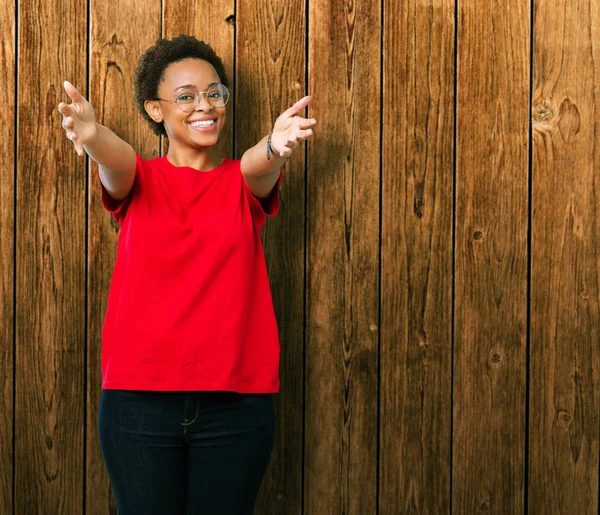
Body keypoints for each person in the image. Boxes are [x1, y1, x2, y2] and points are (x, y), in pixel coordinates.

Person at [57, 34, 316, 515]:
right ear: (155, 110)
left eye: (215, 93)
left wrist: (275, 147)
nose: (207, 106)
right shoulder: (140, 179)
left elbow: (259, 166)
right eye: (187, 96)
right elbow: (117, 159)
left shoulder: (241, 181)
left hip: (236, 406)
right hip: (138, 405)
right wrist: (93, 138)